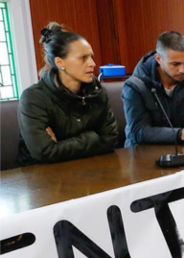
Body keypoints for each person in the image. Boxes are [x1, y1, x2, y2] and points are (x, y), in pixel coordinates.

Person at [17, 23, 118, 166]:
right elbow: (44, 152)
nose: (92, 63)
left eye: (91, 57)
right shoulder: (33, 98)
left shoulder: (97, 92)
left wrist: (60, 145)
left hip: (88, 168)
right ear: (60, 63)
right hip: (41, 174)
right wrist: (93, 138)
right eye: (83, 58)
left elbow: (110, 140)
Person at [123, 31, 184, 148]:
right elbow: (138, 132)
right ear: (158, 59)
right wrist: (180, 134)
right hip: (144, 153)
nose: (183, 70)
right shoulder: (135, 85)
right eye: (175, 64)